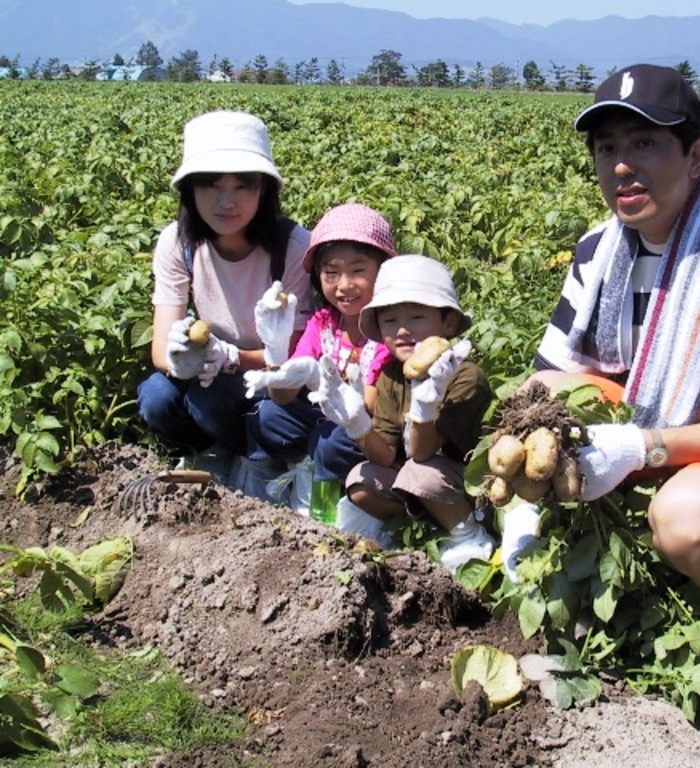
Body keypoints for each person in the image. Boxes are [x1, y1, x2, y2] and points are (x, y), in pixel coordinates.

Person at [502, 64, 700, 679]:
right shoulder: (600, 251)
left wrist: (636, 447)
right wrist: (516, 479)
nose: (622, 165)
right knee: (541, 407)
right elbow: (548, 378)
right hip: (665, 423)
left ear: (696, 156)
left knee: (689, 521)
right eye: (608, 148)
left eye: (646, 142)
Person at [136, 110, 313, 497]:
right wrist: (183, 359)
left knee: (211, 399)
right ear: (190, 192)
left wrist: (231, 357)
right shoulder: (178, 244)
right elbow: (160, 348)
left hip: (271, 382)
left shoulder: (294, 247)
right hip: (211, 372)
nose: (226, 201)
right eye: (211, 186)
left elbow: (297, 354)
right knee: (156, 397)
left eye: (242, 186)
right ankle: (209, 451)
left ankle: (259, 454)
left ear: (263, 190)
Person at [310, 254, 496, 572]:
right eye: (391, 321)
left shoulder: (464, 376)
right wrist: (358, 425)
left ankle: (469, 533)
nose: (403, 331)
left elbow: (423, 453)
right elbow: (384, 456)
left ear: (448, 323)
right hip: (415, 478)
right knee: (360, 480)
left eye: (416, 318)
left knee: (419, 474)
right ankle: (413, 530)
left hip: (466, 482)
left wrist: (425, 405)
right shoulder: (392, 376)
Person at [242, 203, 396, 522]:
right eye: (331, 272)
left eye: (358, 270)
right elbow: (283, 396)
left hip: (366, 427)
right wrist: (276, 354)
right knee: (267, 415)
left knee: (331, 442)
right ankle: (260, 490)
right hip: (326, 417)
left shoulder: (387, 330)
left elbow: (367, 404)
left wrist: (331, 392)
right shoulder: (323, 323)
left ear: (383, 271)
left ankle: (321, 513)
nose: (343, 285)